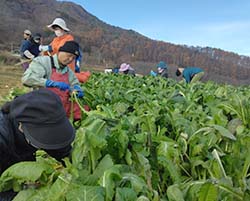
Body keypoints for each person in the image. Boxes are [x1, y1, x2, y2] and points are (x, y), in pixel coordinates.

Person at [0, 89, 75, 199]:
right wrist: (28, 190)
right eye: (44, 139)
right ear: (20, 125)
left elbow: (63, 152)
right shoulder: (3, 138)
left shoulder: (48, 121)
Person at [22, 41, 84, 121]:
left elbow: (74, 84)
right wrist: (49, 83)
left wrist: (76, 89)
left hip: (60, 112)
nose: (70, 59)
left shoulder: (69, 72)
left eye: (73, 58)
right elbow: (27, 79)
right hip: (40, 109)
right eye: (69, 56)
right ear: (60, 51)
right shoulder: (42, 62)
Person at [39, 18, 90, 83]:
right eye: (55, 29)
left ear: (62, 29)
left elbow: (61, 49)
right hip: (57, 63)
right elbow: (50, 49)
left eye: (57, 29)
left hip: (67, 62)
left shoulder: (68, 39)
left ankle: (85, 77)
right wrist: (44, 51)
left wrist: (50, 48)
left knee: (68, 77)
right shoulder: (56, 40)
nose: (56, 31)